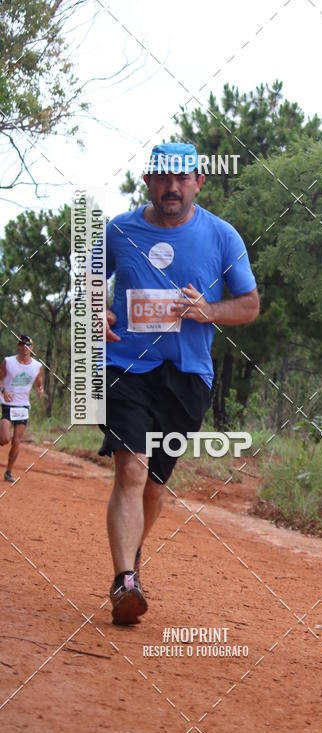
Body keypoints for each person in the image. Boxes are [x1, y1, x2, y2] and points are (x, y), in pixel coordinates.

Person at [99, 142, 259, 625]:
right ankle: (124, 581)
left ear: (198, 182)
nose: (172, 187)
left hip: (188, 377)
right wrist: (96, 311)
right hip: (126, 368)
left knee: (153, 484)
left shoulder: (222, 236)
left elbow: (249, 304)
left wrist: (210, 310)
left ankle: (133, 557)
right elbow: (86, 286)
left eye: (182, 177)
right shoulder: (119, 230)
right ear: (147, 180)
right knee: (130, 470)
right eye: (163, 178)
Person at [0, 334, 44, 483]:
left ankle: (8, 472)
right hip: (8, 403)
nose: (24, 346)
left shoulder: (37, 366)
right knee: (4, 439)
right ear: (18, 347)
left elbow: (39, 382)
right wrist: (4, 391)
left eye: (27, 344)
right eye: (21, 343)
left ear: (31, 348)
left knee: (16, 441)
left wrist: (40, 389)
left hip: (23, 406)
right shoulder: (8, 361)